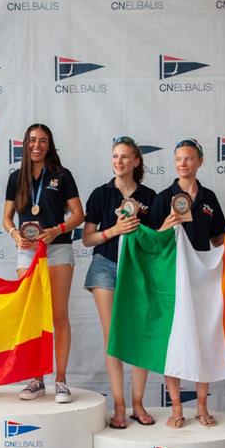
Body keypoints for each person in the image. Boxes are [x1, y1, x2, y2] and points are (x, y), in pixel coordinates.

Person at [3, 123, 84, 403]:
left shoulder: (62, 176)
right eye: (33, 140)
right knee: (33, 317)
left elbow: (78, 215)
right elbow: (6, 218)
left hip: (58, 249)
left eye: (43, 141)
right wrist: (15, 235)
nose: (37, 145)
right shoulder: (16, 177)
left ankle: (60, 380)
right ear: (25, 143)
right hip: (27, 252)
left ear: (49, 146)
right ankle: (36, 378)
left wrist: (57, 230)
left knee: (58, 315)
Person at [150, 138, 225, 428]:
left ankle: (203, 406)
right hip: (172, 277)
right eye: (179, 159)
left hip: (202, 277)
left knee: (203, 338)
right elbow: (152, 240)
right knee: (175, 341)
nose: (183, 163)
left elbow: (219, 237)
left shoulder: (209, 198)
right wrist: (167, 225)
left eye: (189, 158)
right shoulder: (162, 198)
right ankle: (177, 408)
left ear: (200, 162)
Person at [82, 137, 157, 429]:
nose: (119, 161)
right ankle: (119, 404)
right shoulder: (100, 195)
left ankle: (138, 402)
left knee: (138, 335)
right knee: (112, 336)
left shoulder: (151, 196)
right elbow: (88, 239)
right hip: (105, 267)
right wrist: (114, 230)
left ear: (136, 161)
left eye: (125, 156)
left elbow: (158, 237)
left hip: (139, 269)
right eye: (115, 156)